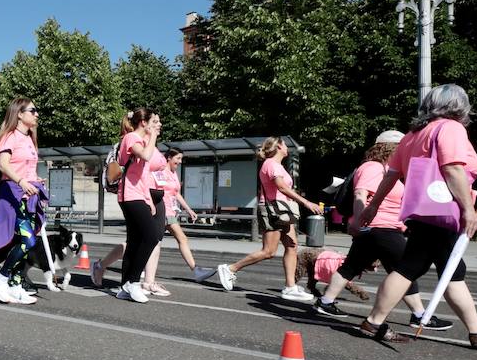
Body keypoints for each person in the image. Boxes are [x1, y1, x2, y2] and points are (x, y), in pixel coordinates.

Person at [356, 85, 477, 348]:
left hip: (422, 211)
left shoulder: (413, 134)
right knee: (429, 268)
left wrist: (372, 205)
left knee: (429, 268)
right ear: (460, 105)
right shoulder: (451, 128)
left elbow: (392, 174)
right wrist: (468, 210)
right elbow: (453, 169)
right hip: (444, 211)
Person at [309, 131, 446, 329]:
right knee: (406, 269)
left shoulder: (388, 170)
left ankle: (326, 301)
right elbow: (360, 194)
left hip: (377, 227)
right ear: (391, 148)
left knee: (351, 266)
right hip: (380, 227)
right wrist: (358, 220)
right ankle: (419, 315)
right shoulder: (373, 167)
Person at [208, 137, 321, 301]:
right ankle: (230, 269)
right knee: (268, 251)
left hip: (282, 211)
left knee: (292, 246)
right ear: (279, 146)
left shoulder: (278, 166)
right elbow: (281, 186)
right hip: (272, 211)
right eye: (285, 145)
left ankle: (290, 287)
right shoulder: (271, 164)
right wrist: (305, 202)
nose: (287, 148)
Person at [92, 108, 166, 303]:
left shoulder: (140, 140)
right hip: (129, 196)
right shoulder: (131, 138)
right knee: (150, 237)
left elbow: (142, 176)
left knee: (134, 241)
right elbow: (147, 156)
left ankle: (125, 285)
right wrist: (153, 138)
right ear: (144, 123)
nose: (157, 125)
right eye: (154, 122)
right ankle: (133, 282)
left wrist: (149, 200)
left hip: (139, 195)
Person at [0, 98, 45, 305]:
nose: (37, 114)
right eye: (33, 111)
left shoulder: (29, 139)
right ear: (20, 113)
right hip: (12, 194)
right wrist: (21, 180)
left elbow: (27, 168)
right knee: (28, 240)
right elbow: (3, 166)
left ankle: (16, 284)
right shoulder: (10, 137)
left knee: (24, 242)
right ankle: (1, 277)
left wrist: (36, 180)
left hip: (28, 196)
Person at [146, 149, 208, 293]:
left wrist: (189, 210)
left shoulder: (174, 173)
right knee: (182, 238)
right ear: (168, 158)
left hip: (171, 212)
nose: (180, 162)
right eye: (178, 159)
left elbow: (176, 194)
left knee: (145, 243)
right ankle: (196, 270)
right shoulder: (160, 170)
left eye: (181, 159)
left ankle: (105, 264)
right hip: (163, 211)